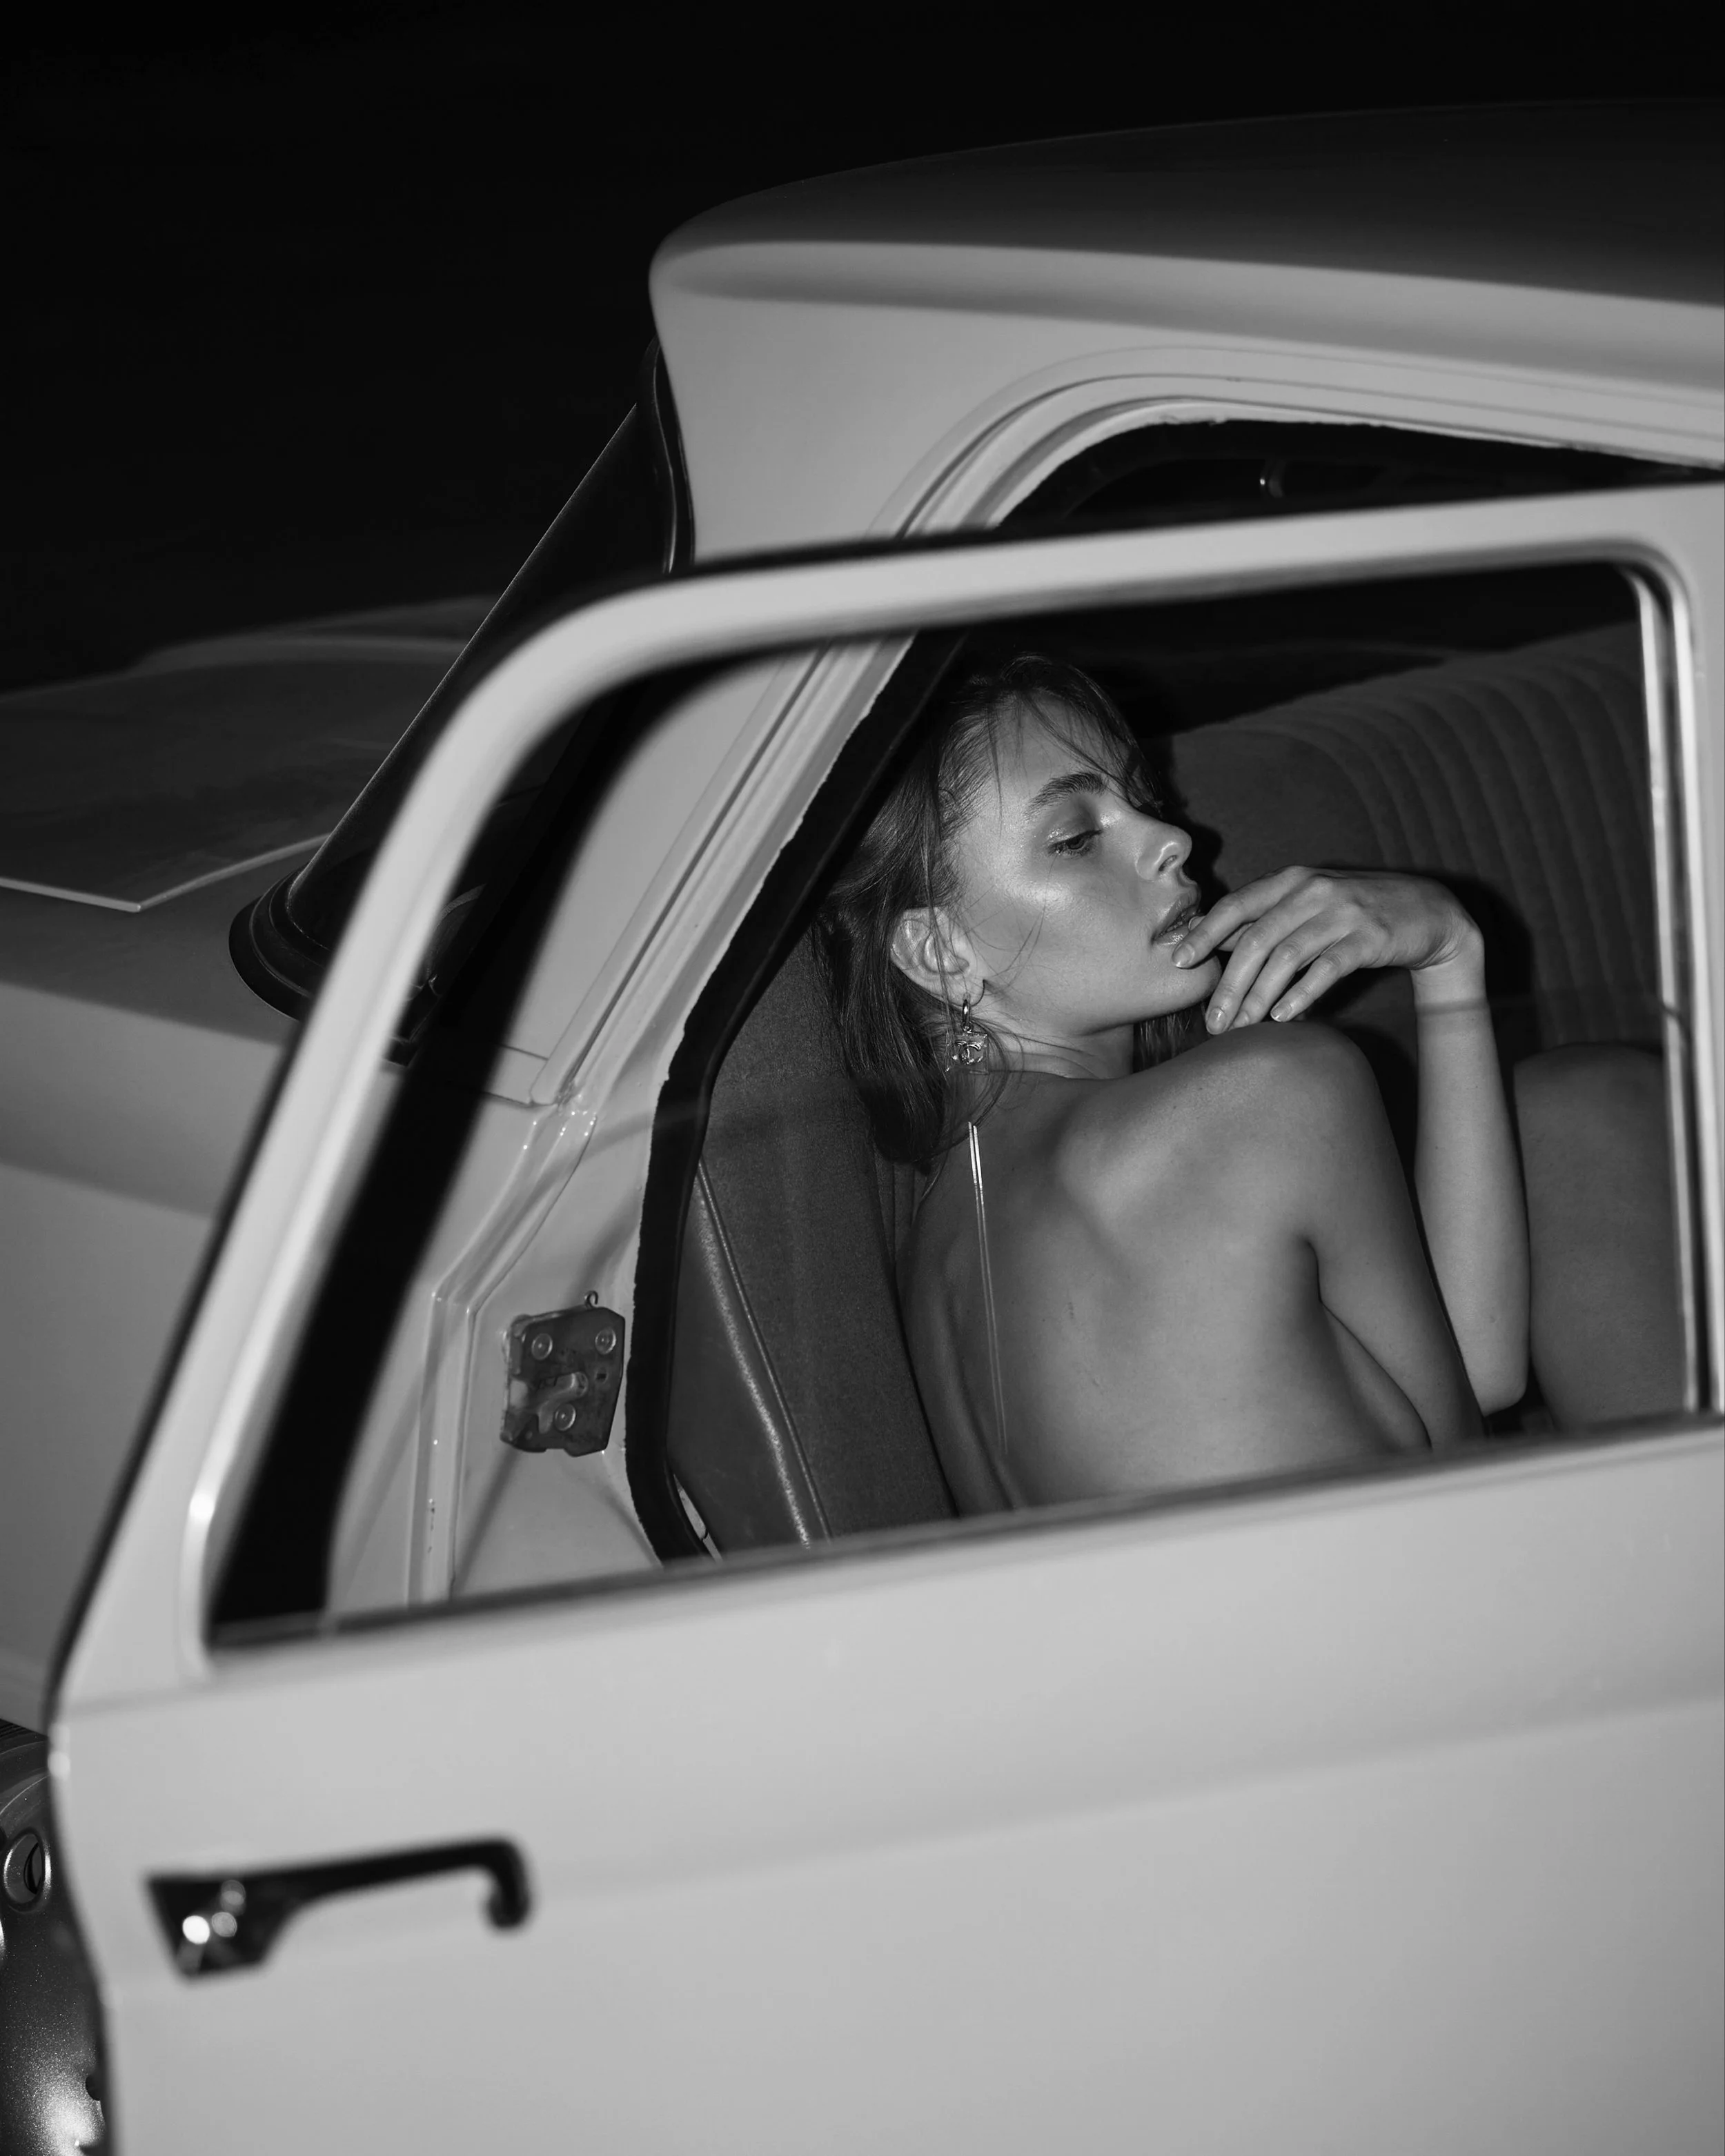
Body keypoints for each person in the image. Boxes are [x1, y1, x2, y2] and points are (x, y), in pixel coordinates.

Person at [816, 653, 1530, 1511]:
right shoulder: (1266, 1094)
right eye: (1078, 838)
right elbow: (1478, 1396)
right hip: (1395, 1622)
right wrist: (1451, 951)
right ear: (939, 951)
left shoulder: (938, 1247)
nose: (1173, 839)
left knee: (1563, 1106)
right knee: (1586, 1110)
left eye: (1141, 800)